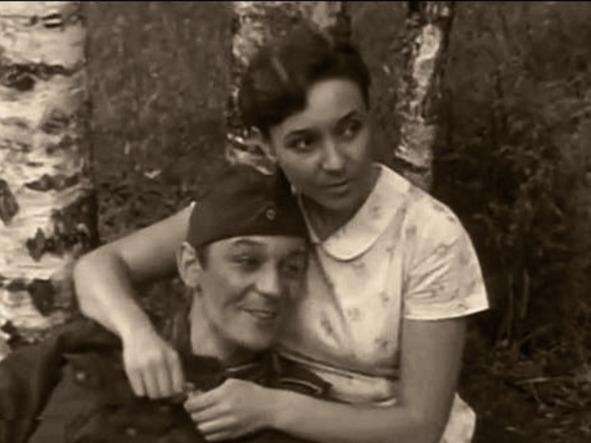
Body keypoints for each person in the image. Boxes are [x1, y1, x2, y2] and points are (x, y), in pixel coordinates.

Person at [73, 24, 489, 443]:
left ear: (370, 116)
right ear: (268, 147)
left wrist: (272, 408)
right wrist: (138, 333)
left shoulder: (428, 235)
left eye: (350, 129)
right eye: (304, 143)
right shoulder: (262, 206)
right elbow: (99, 266)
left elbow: (421, 425)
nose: (335, 161)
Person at [0, 165, 327, 443]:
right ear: (190, 266)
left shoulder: (290, 413)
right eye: (247, 261)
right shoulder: (97, 347)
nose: (272, 288)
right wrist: (136, 335)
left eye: (292, 268)